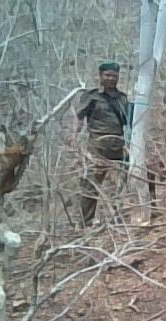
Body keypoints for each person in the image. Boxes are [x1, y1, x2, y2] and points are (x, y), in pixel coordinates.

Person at [71, 61, 129, 225]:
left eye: (114, 76)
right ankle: (86, 222)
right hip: (98, 145)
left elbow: (129, 122)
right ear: (100, 76)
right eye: (107, 75)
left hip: (119, 144)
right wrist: (74, 135)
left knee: (134, 175)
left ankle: (119, 216)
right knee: (91, 183)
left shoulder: (122, 98)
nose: (111, 78)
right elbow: (79, 117)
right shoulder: (92, 96)